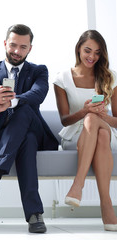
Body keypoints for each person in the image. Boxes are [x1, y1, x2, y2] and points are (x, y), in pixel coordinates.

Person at [0, 24, 58, 233]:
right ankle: (34, 215)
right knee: (26, 140)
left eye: (22, 47)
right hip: (1, 134)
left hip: (36, 129)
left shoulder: (39, 71)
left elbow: (38, 94)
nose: (17, 51)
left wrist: (10, 103)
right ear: (5, 44)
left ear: (30, 49)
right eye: (13, 45)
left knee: (25, 109)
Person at [53, 30, 117, 231]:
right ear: (79, 49)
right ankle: (106, 205)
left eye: (97, 53)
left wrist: (103, 116)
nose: (92, 57)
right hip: (75, 134)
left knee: (102, 128)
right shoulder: (62, 78)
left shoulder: (110, 77)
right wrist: (84, 111)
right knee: (100, 132)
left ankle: (77, 186)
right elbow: (64, 120)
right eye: (87, 50)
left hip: (105, 125)